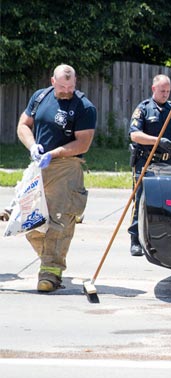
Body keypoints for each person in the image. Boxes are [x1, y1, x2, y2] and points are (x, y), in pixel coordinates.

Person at [16, 64, 97, 292]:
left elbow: (83, 143)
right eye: (62, 86)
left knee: (59, 221)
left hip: (67, 166)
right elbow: (23, 125)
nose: (66, 90)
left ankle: (50, 273)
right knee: (29, 220)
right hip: (39, 166)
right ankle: (50, 259)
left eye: (71, 86)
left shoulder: (84, 107)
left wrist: (54, 153)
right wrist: (32, 146)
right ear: (53, 81)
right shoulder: (40, 97)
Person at [127, 74, 171, 256]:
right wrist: (157, 141)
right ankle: (135, 239)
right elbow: (134, 135)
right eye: (162, 90)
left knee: (170, 202)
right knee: (141, 200)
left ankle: (165, 239)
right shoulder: (144, 109)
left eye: (168, 91)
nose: (165, 94)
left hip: (168, 161)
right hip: (147, 160)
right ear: (154, 89)